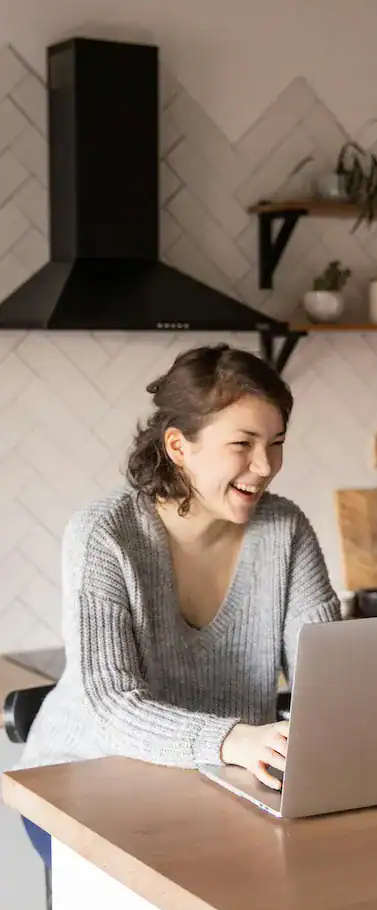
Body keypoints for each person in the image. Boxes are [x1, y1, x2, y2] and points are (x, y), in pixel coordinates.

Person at [17, 343, 341, 868]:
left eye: (277, 443)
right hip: (84, 787)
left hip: (226, 786)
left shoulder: (286, 529)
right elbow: (111, 708)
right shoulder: (106, 534)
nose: (265, 466)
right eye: (243, 443)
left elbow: (329, 678)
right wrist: (231, 739)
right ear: (178, 446)